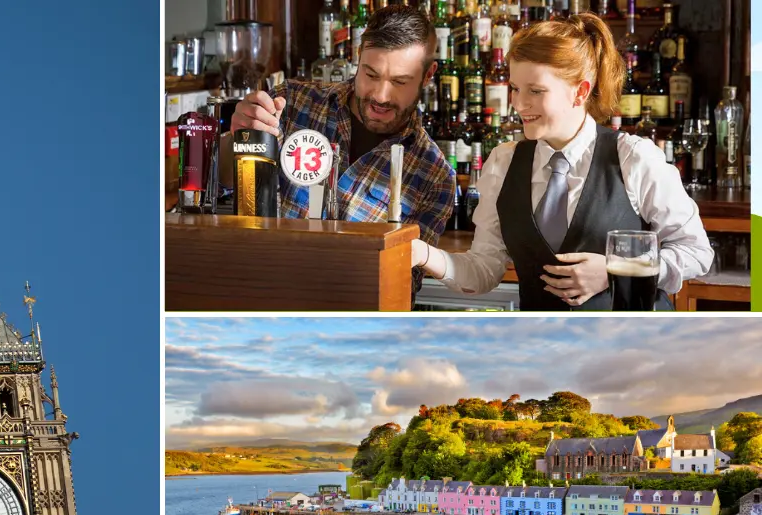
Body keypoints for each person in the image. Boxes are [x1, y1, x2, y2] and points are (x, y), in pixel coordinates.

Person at [409, 14, 712, 310]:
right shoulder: (503, 163)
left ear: (579, 92)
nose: (518, 104)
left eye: (536, 91)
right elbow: (484, 270)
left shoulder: (633, 157)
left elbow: (696, 252)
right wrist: (422, 254)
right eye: (515, 88)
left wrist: (614, 270)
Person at [231, 4, 454, 290]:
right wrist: (240, 136)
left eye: (400, 82)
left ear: (427, 75)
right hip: (261, 296)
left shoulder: (435, 177)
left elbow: (401, 286)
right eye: (371, 75)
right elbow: (227, 181)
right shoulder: (292, 103)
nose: (380, 96)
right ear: (357, 57)